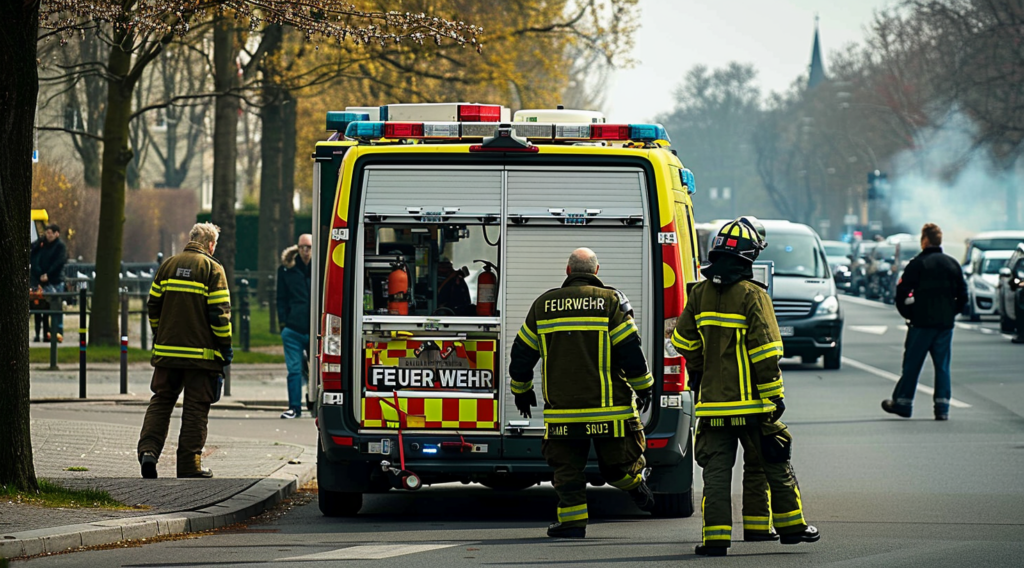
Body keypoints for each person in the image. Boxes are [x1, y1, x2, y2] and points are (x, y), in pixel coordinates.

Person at [672, 216, 819, 556]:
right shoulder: (754, 295)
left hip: (713, 406)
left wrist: (701, 373)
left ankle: (717, 539)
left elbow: (683, 341)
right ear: (750, 256)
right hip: (753, 405)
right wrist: (774, 395)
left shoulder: (698, 294)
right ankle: (791, 527)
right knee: (772, 460)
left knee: (716, 473)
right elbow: (767, 351)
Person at [508, 248, 656, 539]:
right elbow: (630, 351)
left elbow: (522, 353)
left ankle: (572, 523)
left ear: (568, 271)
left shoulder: (543, 305)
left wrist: (521, 390)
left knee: (566, 470)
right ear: (596, 271)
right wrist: (644, 386)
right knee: (617, 468)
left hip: (563, 412)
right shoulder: (611, 302)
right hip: (610, 411)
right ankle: (635, 484)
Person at [137, 223, 232, 479]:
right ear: (210, 244)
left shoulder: (167, 265)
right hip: (201, 357)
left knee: (161, 400)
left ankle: (148, 451)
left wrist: (160, 334)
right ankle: (189, 465)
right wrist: (225, 347)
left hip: (167, 353)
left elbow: (153, 305)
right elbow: (220, 315)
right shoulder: (213, 269)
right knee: (195, 408)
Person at [883, 223, 968, 420]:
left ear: (925, 240)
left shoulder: (918, 264)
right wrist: (951, 313)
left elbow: (901, 293)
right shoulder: (952, 264)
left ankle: (903, 403)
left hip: (921, 323)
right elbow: (963, 296)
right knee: (942, 367)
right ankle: (942, 408)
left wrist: (909, 313)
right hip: (944, 324)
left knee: (912, 365)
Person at [277, 234, 313, 419]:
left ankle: (315, 405)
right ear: (297, 248)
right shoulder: (287, 270)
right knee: (294, 370)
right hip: (293, 328)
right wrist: (284, 323)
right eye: (302, 247)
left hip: (315, 329)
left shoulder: (320, 268)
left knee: (319, 371)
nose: (305, 251)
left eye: (308, 247)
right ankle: (294, 407)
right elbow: (280, 298)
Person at [30, 224, 67, 342]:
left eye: (50, 233)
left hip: (55, 280)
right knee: (43, 308)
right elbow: (34, 254)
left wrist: (48, 274)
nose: (48, 235)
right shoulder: (43, 245)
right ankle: (45, 333)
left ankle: (57, 333)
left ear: (57, 234)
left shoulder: (60, 247)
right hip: (43, 281)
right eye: (47, 233)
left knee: (56, 308)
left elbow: (59, 262)